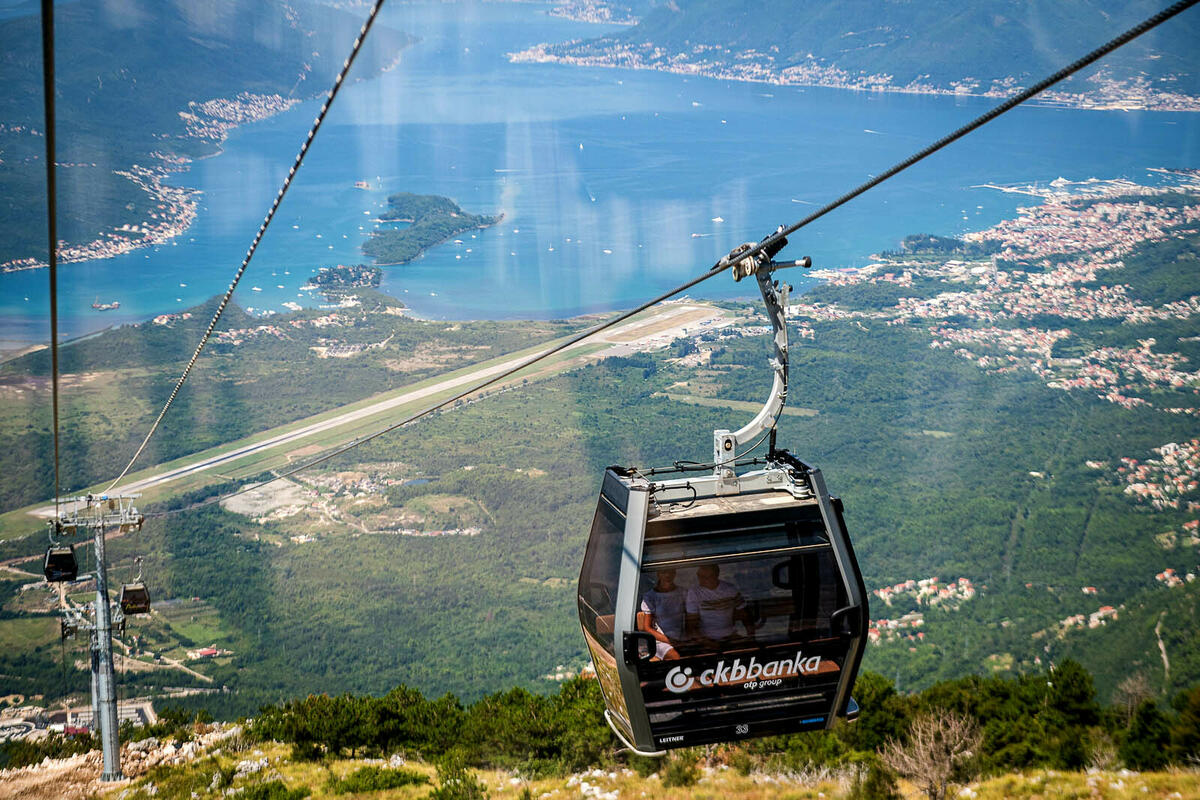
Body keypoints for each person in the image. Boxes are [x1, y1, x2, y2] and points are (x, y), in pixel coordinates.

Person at [686, 563, 755, 650]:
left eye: (705, 577)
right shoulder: (694, 592)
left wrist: (751, 637)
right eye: (699, 576)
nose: (701, 579)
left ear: (716, 575)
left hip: (731, 637)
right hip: (707, 640)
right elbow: (692, 624)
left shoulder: (730, 589)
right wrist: (706, 642)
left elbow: (745, 615)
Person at [639, 568, 685, 660]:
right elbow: (647, 628)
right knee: (676, 657)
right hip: (660, 641)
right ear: (658, 574)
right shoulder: (650, 597)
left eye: (670, 572)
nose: (667, 575)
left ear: (674, 573)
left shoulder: (682, 592)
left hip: (681, 639)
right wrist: (669, 641)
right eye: (664, 572)